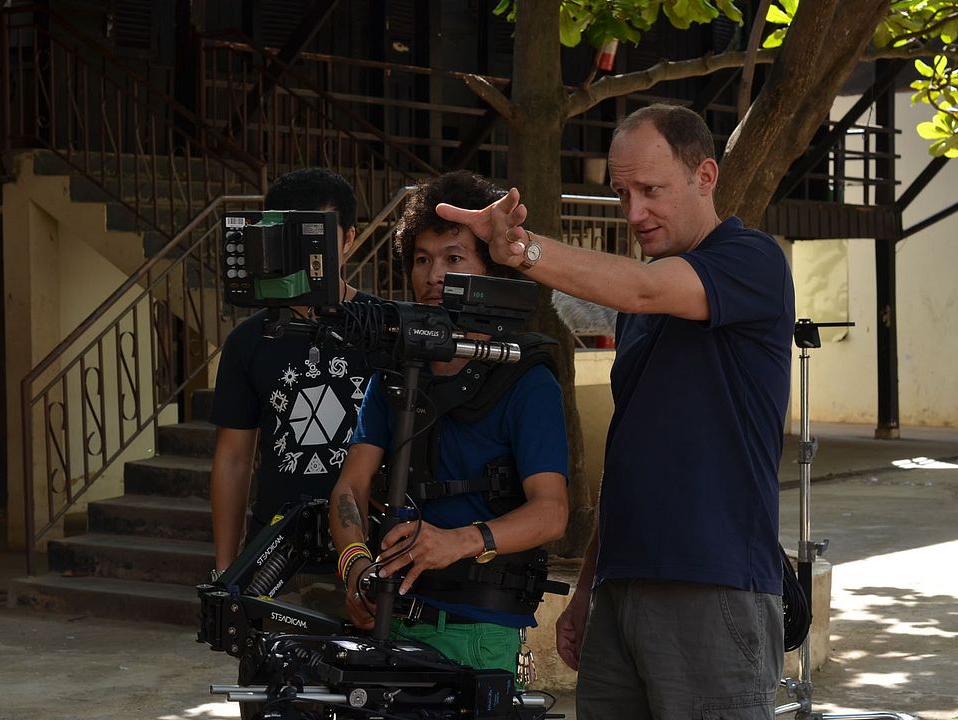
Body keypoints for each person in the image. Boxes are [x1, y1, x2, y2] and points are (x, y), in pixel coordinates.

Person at [437, 105, 795, 719]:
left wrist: (519, 248)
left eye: (651, 190)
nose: (633, 213)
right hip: (621, 587)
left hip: (713, 582)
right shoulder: (639, 309)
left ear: (705, 176)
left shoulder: (752, 260)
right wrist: (588, 588)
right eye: (621, 192)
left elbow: (642, 287)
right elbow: (629, 454)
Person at [328, 171, 570, 678]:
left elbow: (552, 513)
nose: (433, 275)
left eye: (454, 258)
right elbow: (350, 485)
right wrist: (354, 564)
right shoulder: (398, 366)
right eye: (422, 259)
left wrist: (459, 540)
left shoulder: (525, 377)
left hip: (478, 630)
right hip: (389, 612)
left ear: (493, 271)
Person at [209, 168, 373, 603]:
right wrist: (227, 569)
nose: (303, 253)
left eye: (315, 236)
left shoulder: (386, 331)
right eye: (291, 236)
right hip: (274, 557)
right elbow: (233, 458)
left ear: (348, 239)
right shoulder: (248, 342)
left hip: (367, 555)